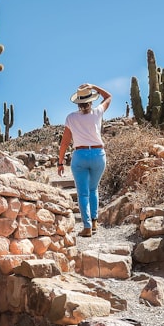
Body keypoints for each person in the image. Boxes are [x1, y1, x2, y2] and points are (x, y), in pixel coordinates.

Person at [58, 83, 111, 237]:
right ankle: (95, 222)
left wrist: (60, 162)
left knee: (82, 193)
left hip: (80, 156)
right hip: (98, 155)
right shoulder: (97, 112)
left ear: (78, 102)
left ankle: (87, 226)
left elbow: (65, 142)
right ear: (91, 100)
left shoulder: (71, 118)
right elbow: (108, 97)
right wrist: (94, 86)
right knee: (93, 189)